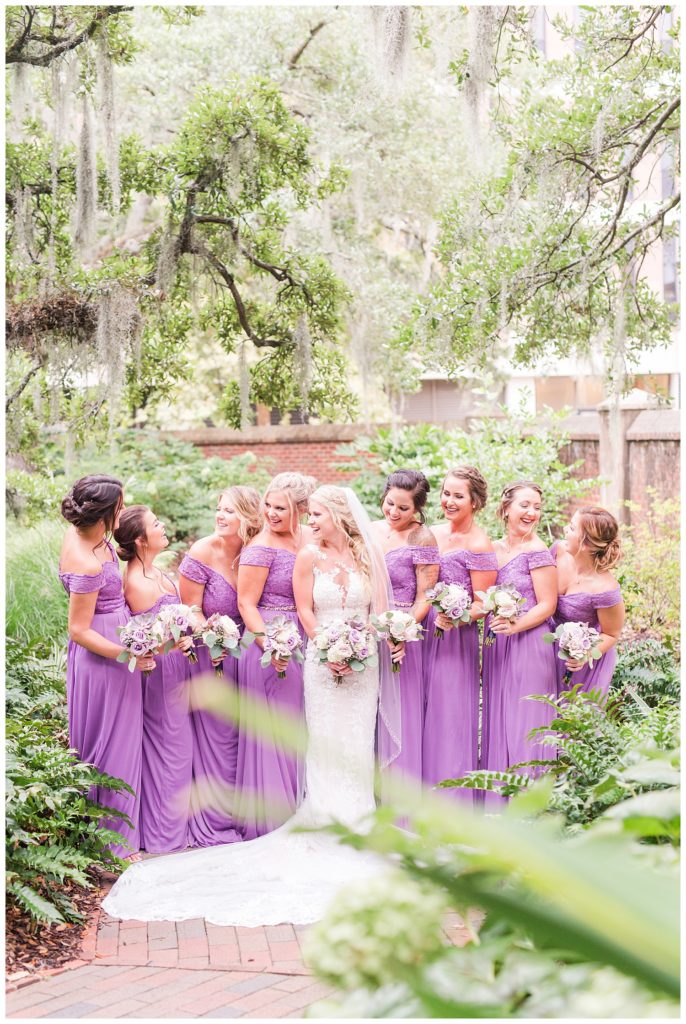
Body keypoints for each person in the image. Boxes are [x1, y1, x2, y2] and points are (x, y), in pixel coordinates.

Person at [101, 486, 394, 926]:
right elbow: (302, 608)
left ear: (336, 515)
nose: (307, 521)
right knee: (321, 741)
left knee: (355, 740)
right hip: (319, 657)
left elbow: (379, 608)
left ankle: (362, 820)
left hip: (363, 662)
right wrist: (326, 648)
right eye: (305, 513)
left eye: (314, 514)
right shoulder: (306, 556)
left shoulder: (365, 555)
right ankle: (326, 819)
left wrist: (362, 645)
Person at [59, 475, 152, 861]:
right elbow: (78, 630)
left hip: (117, 639)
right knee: (110, 744)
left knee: (122, 739)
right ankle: (111, 844)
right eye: (121, 505)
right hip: (104, 656)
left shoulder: (93, 537)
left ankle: (120, 831)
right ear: (105, 511)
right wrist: (126, 654)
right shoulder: (84, 560)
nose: (124, 510)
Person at [234, 472, 317, 839]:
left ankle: (302, 809)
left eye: (280, 507)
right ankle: (274, 822)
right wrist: (271, 646)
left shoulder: (309, 539)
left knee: (299, 726)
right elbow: (245, 604)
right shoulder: (259, 547)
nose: (270, 513)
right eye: (268, 505)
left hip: (305, 640)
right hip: (269, 644)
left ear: (300, 510)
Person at [178, 485, 262, 846]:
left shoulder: (255, 550)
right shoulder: (202, 550)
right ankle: (214, 819)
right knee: (218, 738)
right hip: (212, 656)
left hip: (250, 657)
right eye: (219, 509)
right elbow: (189, 608)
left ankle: (248, 816)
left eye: (229, 511)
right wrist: (211, 635)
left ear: (247, 516)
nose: (220, 516)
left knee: (246, 738)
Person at [115, 505, 194, 854]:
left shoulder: (156, 571)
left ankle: (173, 828)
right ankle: (163, 835)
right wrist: (177, 636)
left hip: (177, 668)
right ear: (140, 539)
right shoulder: (135, 581)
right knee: (168, 750)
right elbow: (147, 640)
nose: (162, 527)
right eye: (155, 524)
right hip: (160, 674)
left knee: (178, 749)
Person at [479, 480, 559, 807]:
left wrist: (515, 626)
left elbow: (547, 604)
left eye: (537, 507)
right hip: (499, 644)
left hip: (530, 643)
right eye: (525, 505)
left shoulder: (538, 552)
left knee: (527, 718)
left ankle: (531, 805)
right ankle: (500, 802)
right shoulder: (493, 549)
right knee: (500, 717)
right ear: (506, 507)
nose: (532, 513)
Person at [424, 467, 497, 801]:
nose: (448, 501)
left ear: (475, 501)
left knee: (448, 717)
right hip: (423, 631)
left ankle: (450, 804)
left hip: (455, 638)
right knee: (422, 713)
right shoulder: (431, 533)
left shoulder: (480, 545)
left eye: (458, 495)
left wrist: (457, 617)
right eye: (445, 493)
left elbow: (484, 603)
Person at [370, 469, 439, 780]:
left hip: (401, 637)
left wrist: (401, 630)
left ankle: (399, 810)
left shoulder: (421, 537)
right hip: (366, 633)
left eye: (403, 508)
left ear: (418, 508)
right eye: (389, 503)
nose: (393, 512)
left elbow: (425, 594)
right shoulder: (370, 530)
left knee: (400, 717)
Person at [552, 507, 625, 697]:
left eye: (572, 528)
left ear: (586, 544)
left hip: (583, 663)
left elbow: (611, 634)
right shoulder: (558, 551)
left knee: (575, 720)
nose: (566, 531)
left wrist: (585, 656)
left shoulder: (605, 589)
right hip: (549, 647)